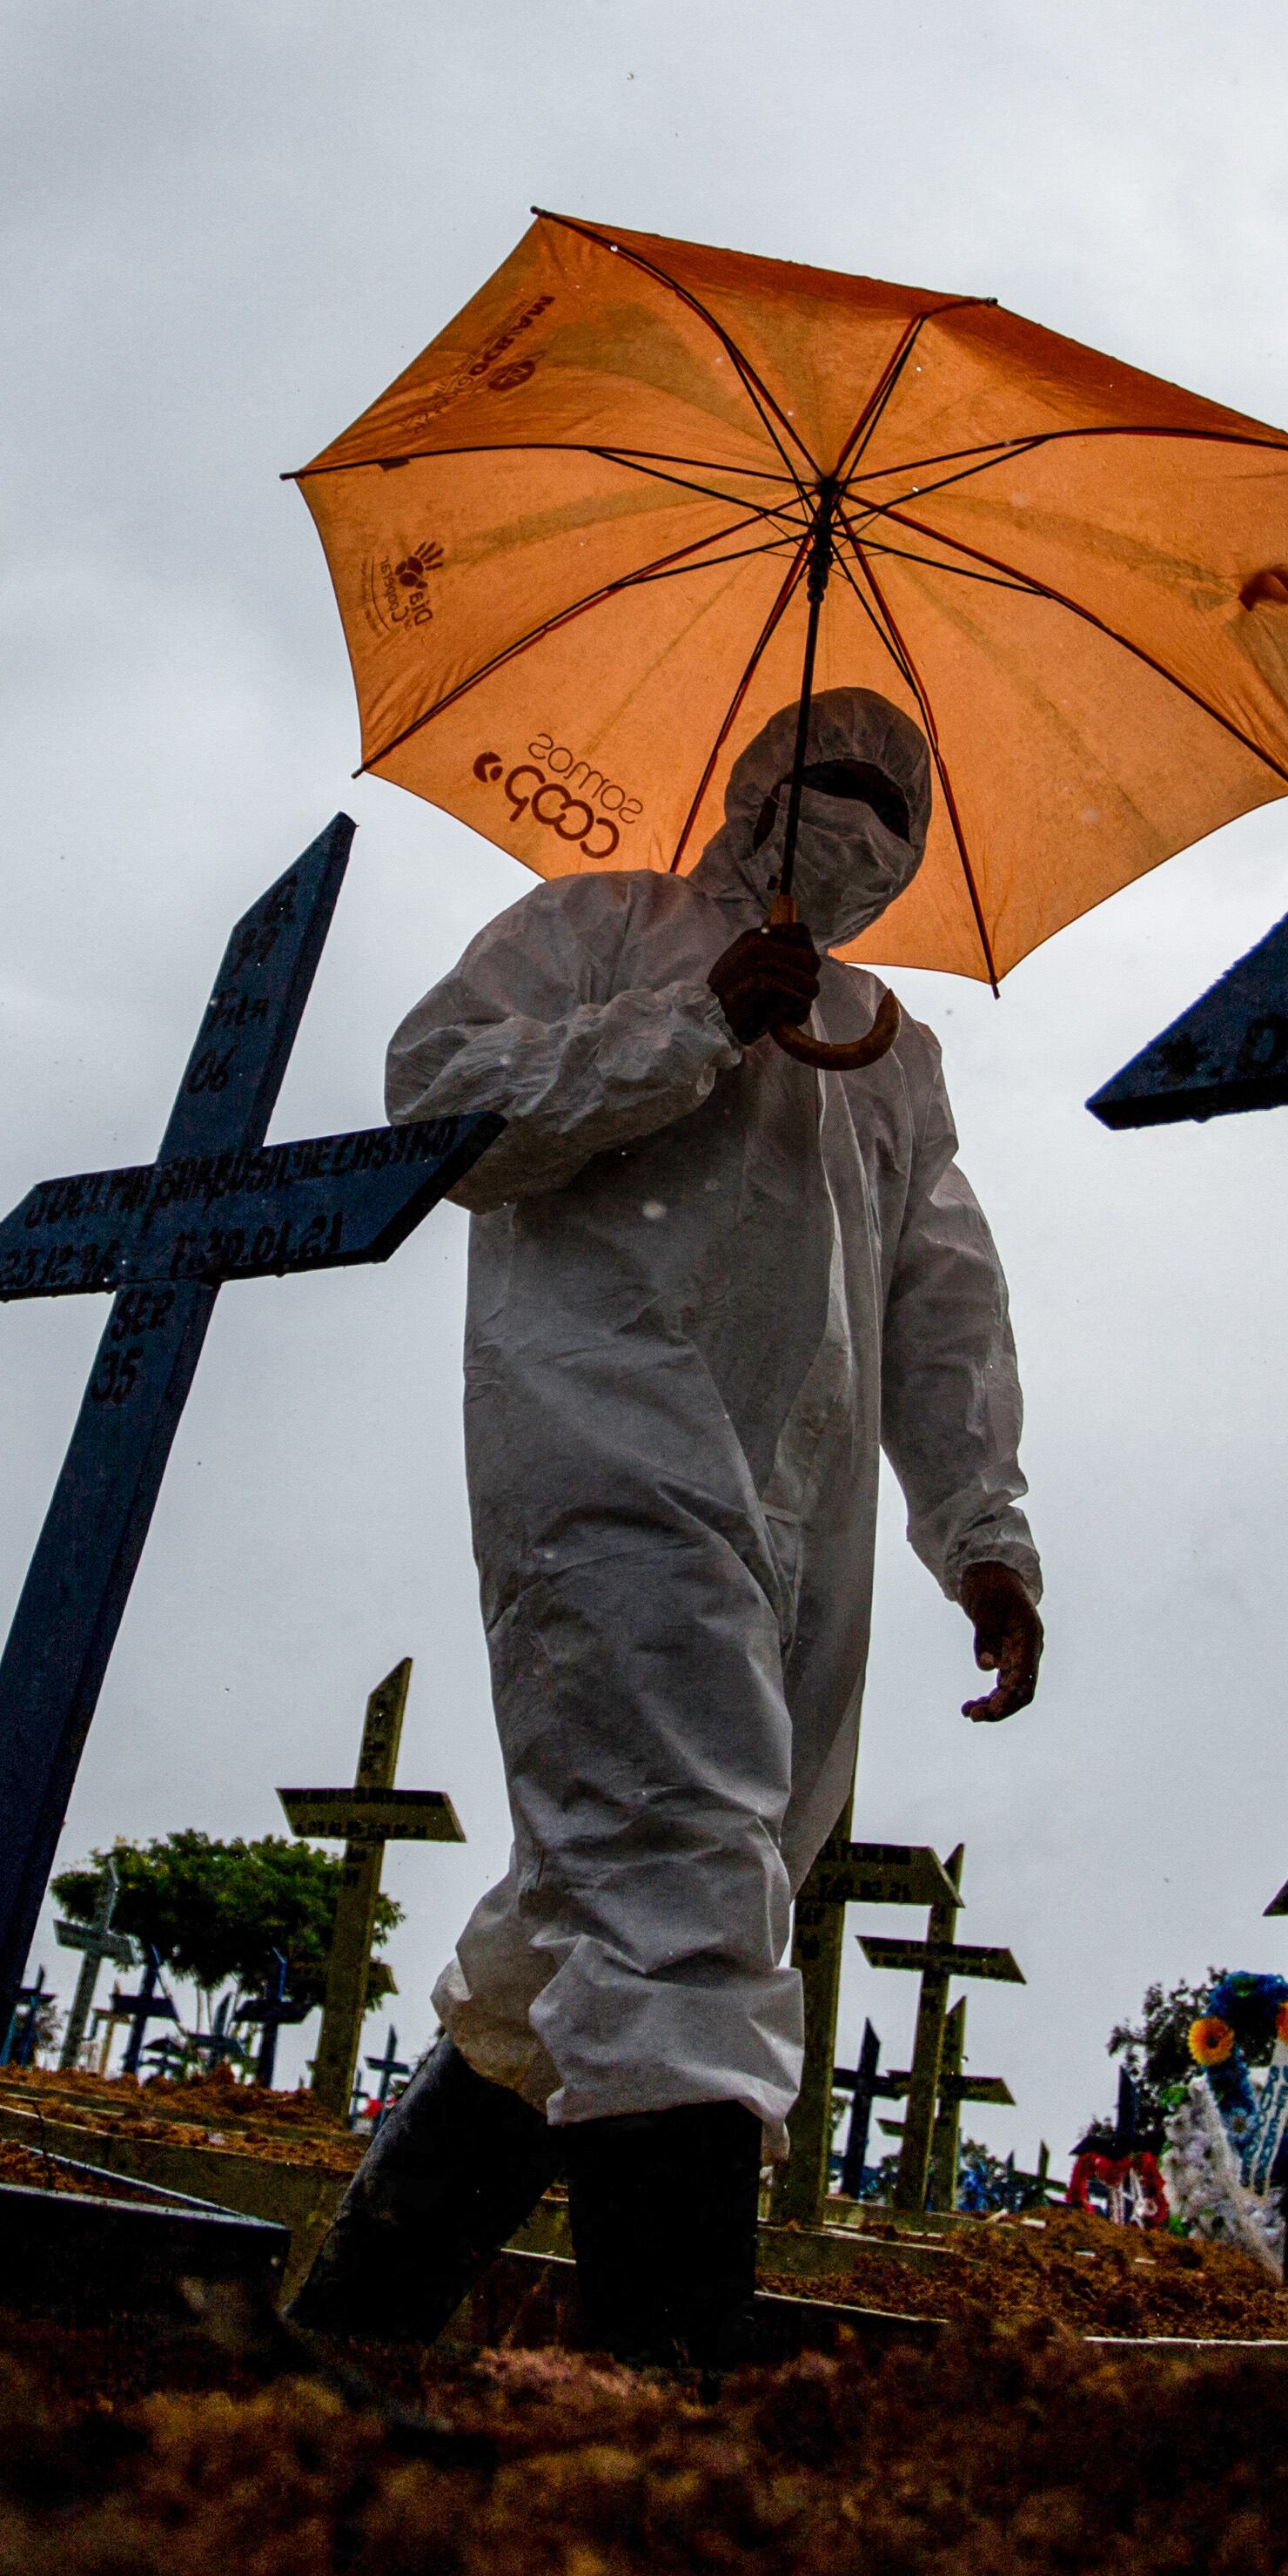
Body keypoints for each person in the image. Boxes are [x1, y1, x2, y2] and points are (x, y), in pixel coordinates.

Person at [285, 689, 1043, 2364]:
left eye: (896, 809)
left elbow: (942, 1301)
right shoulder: (593, 930)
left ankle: (345, 2336)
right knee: (683, 1870)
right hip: (602, 1440)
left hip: (806, 1510)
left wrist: (981, 1526)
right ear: (756, 783)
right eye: (832, 783)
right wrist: (692, 1019)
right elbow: (440, 1113)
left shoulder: (895, 1051)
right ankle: (664, 2403)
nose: (861, 824)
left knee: (625, 1896)